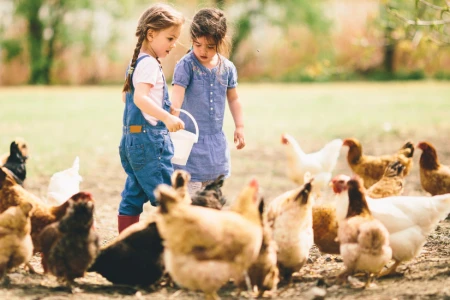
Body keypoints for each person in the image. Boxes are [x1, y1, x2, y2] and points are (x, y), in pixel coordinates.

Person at [118, 3, 185, 233]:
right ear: (151, 34)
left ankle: (126, 242)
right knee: (167, 196)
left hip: (132, 143)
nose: (173, 44)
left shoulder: (137, 62)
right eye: (170, 38)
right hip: (149, 144)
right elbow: (140, 99)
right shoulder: (148, 65)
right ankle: (172, 244)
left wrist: (165, 110)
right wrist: (166, 117)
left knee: (133, 194)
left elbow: (128, 99)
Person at [171, 7, 245, 195]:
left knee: (213, 194)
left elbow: (234, 98)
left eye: (210, 46)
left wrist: (239, 126)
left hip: (215, 143)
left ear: (220, 42)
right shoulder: (186, 65)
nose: (203, 51)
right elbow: (177, 95)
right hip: (190, 142)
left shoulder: (227, 68)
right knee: (192, 195)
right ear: (192, 40)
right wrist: (173, 117)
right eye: (198, 44)